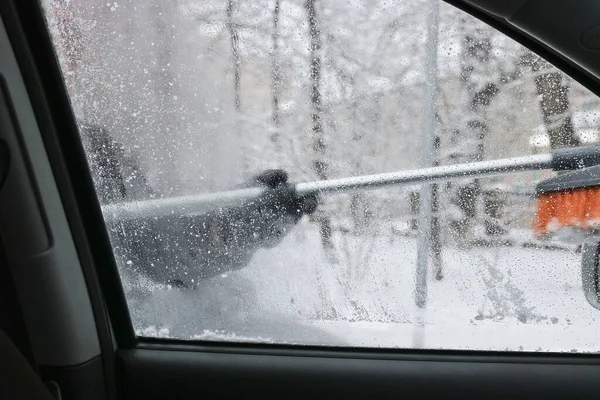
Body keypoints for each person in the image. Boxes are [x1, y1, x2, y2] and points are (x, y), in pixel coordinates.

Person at [79, 122, 318, 288]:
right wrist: (237, 227)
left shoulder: (83, 141)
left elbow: (158, 227)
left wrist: (242, 202)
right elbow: (148, 253)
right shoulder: (63, 144)